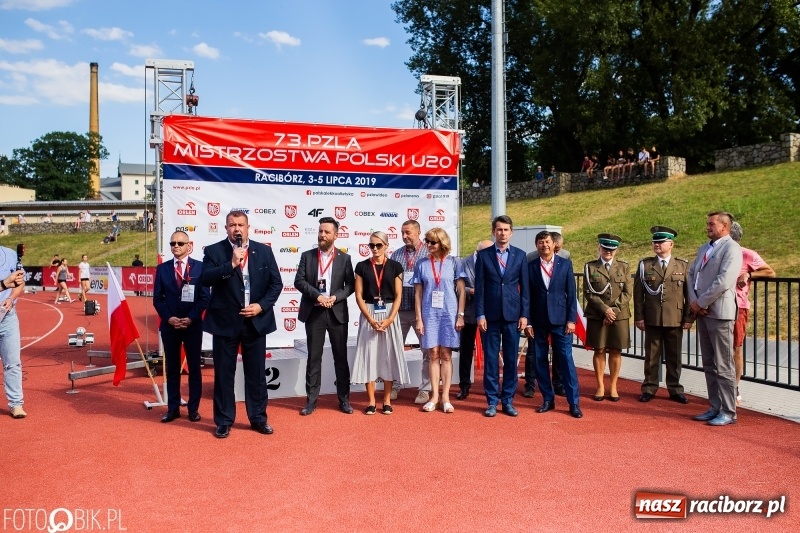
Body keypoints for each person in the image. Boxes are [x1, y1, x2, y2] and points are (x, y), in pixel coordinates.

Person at [200, 210, 282, 439]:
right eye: (232, 225)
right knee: (224, 374)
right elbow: (205, 278)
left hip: (255, 322)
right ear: (226, 228)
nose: (237, 229)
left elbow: (276, 284)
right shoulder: (214, 251)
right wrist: (231, 264)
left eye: (240, 225)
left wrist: (261, 306)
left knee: (256, 374)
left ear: (248, 227)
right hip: (225, 322)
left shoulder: (264, 251)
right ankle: (224, 421)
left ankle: (258, 418)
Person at [294, 217, 356, 416]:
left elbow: (351, 286)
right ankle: (311, 401)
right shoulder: (307, 256)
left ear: (335, 235)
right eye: (320, 231)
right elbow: (299, 281)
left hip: (337, 313)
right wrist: (318, 295)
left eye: (327, 232)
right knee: (314, 358)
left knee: (341, 357)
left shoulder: (345, 259)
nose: (322, 235)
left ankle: (344, 400)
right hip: (315, 312)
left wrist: (335, 298)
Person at [688, 211, 742, 426]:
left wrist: (700, 302)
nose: (707, 227)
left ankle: (729, 411)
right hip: (702, 311)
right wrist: (694, 302)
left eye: (711, 224)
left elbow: (723, 280)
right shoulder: (705, 248)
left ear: (725, 226)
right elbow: (691, 274)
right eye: (707, 223)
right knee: (709, 362)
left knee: (723, 364)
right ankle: (715, 406)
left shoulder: (732, 248)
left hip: (719, 313)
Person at [475, 215, 529, 417]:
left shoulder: (520, 256)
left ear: (511, 232)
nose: (502, 233)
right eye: (499, 230)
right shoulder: (484, 256)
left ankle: (507, 400)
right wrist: (480, 314)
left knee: (510, 359)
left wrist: (524, 315)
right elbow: (480, 288)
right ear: (493, 231)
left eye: (506, 230)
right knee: (491, 360)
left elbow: (525, 289)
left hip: (513, 316)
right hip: (490, 316)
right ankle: (491, 401)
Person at [153, 231, 210, 424]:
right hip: (170, 327)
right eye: (172, 243)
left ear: (189, 246)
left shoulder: (200, 268)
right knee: (172, 368)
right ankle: (173, 408)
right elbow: (157, 299)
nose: (175, 246)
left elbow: (204, 298)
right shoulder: (162, 269)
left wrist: (190, 318)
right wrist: (169, 318)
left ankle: (193, 409)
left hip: (192, 326)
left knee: (194, 368)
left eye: (179, 243)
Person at [524, 231, 582, 418]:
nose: (544, 245)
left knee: (566, 360)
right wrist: (529, 322)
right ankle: (548, 399)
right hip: (538, 321)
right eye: (541, 242)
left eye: (547, 242)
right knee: (540, 360)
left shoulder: (564, 264)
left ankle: (574, 403)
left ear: (553, 244)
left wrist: (571, 320)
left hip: (561, 321)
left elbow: (572, 295)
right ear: (536, 245)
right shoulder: (530, 266)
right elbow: (527, 296)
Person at [351, 231, 409, 414]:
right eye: (371, 245)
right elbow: (358, 295)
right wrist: (369, 318)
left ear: (386, 245)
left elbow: (399, 295)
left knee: (388, 356)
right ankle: (370, 401)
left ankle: (386, 400)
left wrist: (391, 318)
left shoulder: (395, 266)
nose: (375, 249)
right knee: (369, 355)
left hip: (390, 314)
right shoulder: (361, 266)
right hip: (369, 313)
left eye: (378, 245)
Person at [634, 227, 692, 404]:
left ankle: (675, 389)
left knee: (674, 356)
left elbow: (689, 294)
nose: (656, 245)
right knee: (651, 355)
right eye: (654, 242)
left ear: (671, 244)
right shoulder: (645, 265)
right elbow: (638, 294)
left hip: (675, 317)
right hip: (652, 317)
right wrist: (639, 317)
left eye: (661, 242)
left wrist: (689, 318)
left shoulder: (683, 265)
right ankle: (649, 387)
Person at [414, 227, 466, 413]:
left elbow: (461, 291)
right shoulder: (421, 263)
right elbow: (418, 294)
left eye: (432, 242)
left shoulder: (454, 263)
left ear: (442, 243)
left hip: (449, 313)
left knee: (446, 354)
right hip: (429, 313)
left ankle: (446, 397)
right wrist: (419, 319)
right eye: (427, 241)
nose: (428, 245)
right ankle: (434, 396)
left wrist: (460, 315)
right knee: (433, 354)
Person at [728, 221, 775, 405]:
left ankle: (735, 386)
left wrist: (749, 275)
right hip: (716, 307)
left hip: (738, 307)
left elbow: (770, 272)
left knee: (735, 349)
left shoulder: (746, 254)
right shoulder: (715, 253)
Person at [584, 234, 631, 402]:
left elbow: (627, 292)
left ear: (616, 250)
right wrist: (605, 310)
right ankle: (600, 386)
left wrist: (613, 311)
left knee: (616, 350)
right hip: (597, 315)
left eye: (611, 249)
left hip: (619, 316)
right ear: (599, 248)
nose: (608, 252)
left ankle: (613, 386)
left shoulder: (623, 267)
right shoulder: (590, 267)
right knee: (599, 349)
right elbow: (588, 292)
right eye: (605, 248)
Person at [389, 220, 430, 403]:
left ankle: (425, 389)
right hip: (400, 310)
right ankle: (395, 386)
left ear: (418, 232)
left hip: (423, 311)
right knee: (395, 350)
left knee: (428, 350)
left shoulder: (429, 253)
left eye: (408, 232)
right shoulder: (396, 254)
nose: (404, 236)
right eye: (402, 233)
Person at [456, 239, 493, 400]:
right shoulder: (464, 263)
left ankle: (490, 386)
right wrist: (471, 291)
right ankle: (464, 385)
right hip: (469, 312)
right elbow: (456, 287)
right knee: (465, 351)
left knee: (490, 351)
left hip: (490, 313)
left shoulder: (494, 261)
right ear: (478, 252)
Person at [0, 253, 25, 418]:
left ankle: (16, 404)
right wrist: (3, 284)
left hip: (7, 316)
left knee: (13, 362)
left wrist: (11, 298)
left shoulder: (10, 254)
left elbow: (20, 282)